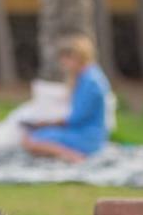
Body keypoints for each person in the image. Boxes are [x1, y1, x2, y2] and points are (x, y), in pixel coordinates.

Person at [22, 35, 111, 163]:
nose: (63, 62)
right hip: (83, 131)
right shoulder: (86, 76)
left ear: (79, 57)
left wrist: (47, 124)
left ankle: (73, 156)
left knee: (30, 140)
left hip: (88, 136)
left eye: (66, 58)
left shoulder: (90, 82)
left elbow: (77, 118)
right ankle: (68, 154)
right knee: (32, 136)